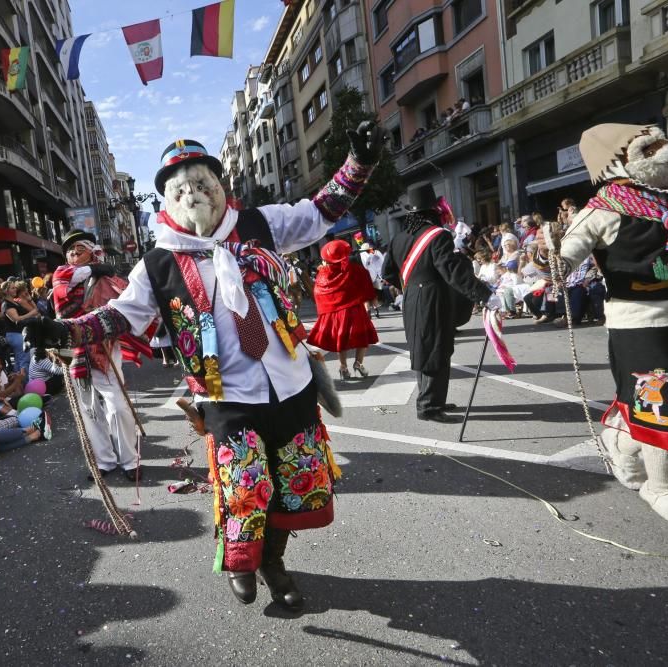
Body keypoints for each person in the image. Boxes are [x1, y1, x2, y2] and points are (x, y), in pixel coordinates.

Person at [34, 124, 384, 610]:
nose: (193, 194)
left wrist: (358, 163)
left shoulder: (261, 224)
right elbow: (122, 314)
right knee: (244, 483)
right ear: (166, 200)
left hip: (291, 381)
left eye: (202, 183)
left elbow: (321, 211)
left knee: (294, 481)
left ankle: (273, 561)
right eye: (180, 188)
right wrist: (65, 331)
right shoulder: (158, 262)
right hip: (225, 395)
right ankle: (241, 558)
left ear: (221, 187)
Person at [545, 123, 668, 531]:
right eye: (652, 147)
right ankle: (661, 486)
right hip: (642, 322)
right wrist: (553, 256)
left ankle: (620, 434)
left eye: (665, 141)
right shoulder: (603, 208)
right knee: (665, 403)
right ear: (620, 161)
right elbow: (567, 261)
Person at [382, 183, 492, 424]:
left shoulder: (399, 237)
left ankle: (433, 399)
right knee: (435, 350)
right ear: (432, 211)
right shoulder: (437, 235)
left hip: (411, 298)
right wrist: (484, 294)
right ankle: (429, 407)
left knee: (423, 349)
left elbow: (387, 272)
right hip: (432, 299)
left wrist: (410, 288)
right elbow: (451, 270)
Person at [52, 231, 147, 482]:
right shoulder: (62, 274)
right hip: (73, 350)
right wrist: (96, 268)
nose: (73, 254)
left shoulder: (108, 277)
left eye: (79, 249)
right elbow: (68, 291)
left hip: (104, 344)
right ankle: (104, 461)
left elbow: (123, 302)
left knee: (117, 407)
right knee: (88, 409)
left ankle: (129, 460)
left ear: (92, 251)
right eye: (70, 251)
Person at [308, 239, 378, 380]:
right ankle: (358, 363)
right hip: (355, 309)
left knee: (341, 340)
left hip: (335, 313)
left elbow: (319, 292)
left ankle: (343, 367)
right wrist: (370, 301)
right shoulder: (356, 269)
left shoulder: (323, 273)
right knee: (362, 338)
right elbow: (366, 284)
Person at [1, 280, 41, 373]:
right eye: (12, 288)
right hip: (15, 334)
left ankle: (19, 383)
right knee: (24, 360)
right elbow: (16, 319)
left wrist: (30, 299)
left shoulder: (15, 303)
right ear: (6, 291)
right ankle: (26, 383)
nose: (15, 289)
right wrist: (31, 314)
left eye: (15, 287)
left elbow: (36, 311)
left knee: (20, 360)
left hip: (20, 334)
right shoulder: (6, 304)